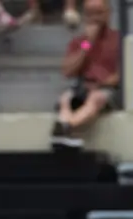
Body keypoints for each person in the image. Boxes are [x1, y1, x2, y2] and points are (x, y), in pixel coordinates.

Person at [50, 0, 120, 149]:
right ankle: (64, 133)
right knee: (65, 98)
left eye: (99, 13)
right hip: (83, 85)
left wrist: (101, 84)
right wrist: (87, 44)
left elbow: (122, 74)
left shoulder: (117, 40)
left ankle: (66, 126)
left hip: (107, 88)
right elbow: (67, 71)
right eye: (90, 14)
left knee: (96, 97)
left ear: (108, 14)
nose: (95, 18)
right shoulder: (80, 42)